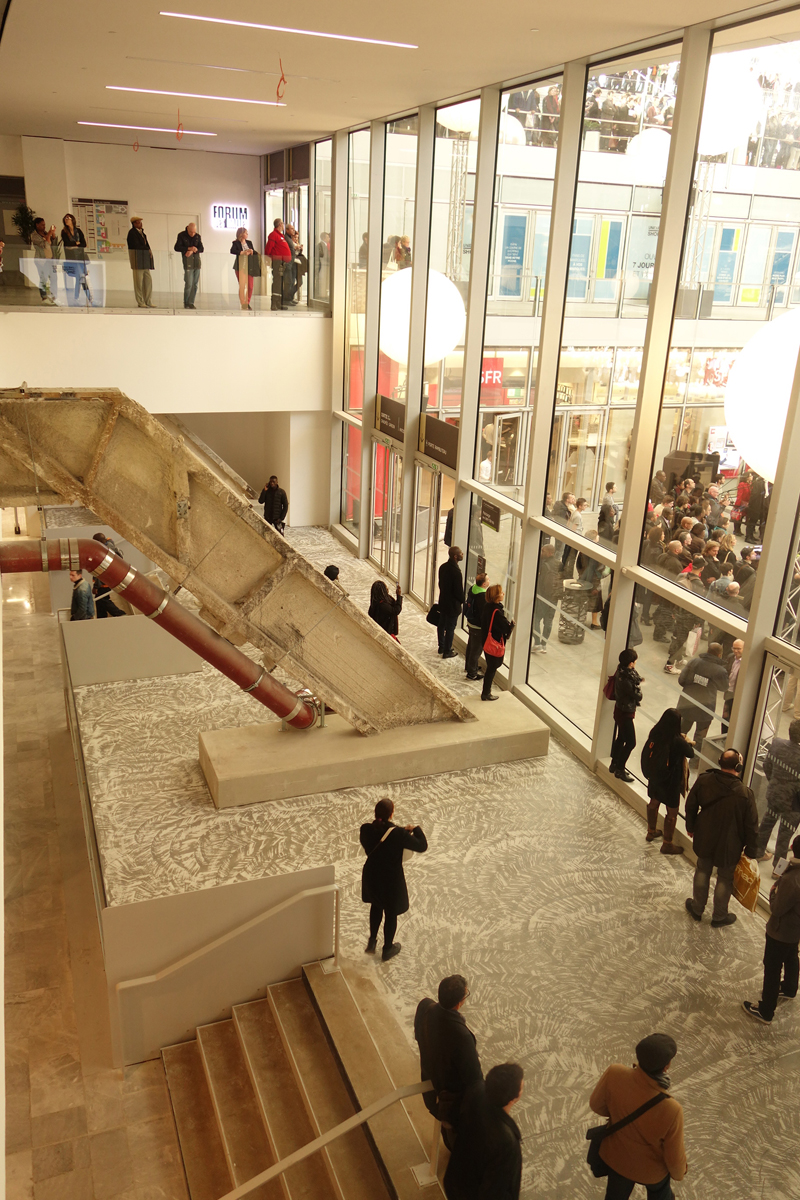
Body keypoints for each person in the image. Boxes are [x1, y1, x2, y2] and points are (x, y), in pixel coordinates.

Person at [588, 1033, 687, 1200]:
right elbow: (674, 1156)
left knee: (615, 1195)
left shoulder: (615, 1073)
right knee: (660, 1190)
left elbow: (596, 1105)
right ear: (666, 1067)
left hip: (617, 1158)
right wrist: (680, 1173)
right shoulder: (671, 1109)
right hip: (651, 1172)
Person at [684, 748, 758, 927]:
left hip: (705, 835)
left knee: (702, 870)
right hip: (730, 844)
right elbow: (752, 826)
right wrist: (751, 849)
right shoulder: (745, 794)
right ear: (739, 767)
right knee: (725, 878)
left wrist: (691, 827)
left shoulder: (704, 780)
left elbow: (690, 805)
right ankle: (719, 916)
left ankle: (697, 908)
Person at [414, 974, 482, 1148]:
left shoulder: (425, 1008)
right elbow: (474, 1080)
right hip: (449, 1106)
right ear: (459, 1003)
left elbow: (419, 1036)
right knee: (459, 1139)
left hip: (430, 1091)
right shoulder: (463, 1037)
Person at [360, 797, 427, 961]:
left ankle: (371, 943)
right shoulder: (398, 834)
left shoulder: (366, 829)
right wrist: (415, 829)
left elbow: (382, 834)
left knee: (376, 905)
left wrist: (400, 830)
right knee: (391, 912)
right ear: (392, 814)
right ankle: (387, 948)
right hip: (390, 880)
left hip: (372, 875)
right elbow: (422, 845)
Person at [443, 1063, 524, 1200]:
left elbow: (454, 1118)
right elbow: (497, 1190)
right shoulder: (507, 1142)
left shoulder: (476, 1090)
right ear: (513, 1099)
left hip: (454, 1180)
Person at [743, 833, 800, 1024]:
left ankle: (766, 1010)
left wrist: (774, 891)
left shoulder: (793, 879)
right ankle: (790, 988)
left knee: (773, 967)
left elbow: (776, 908)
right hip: (794, 930)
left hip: (781, 930)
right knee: (791, 956)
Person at [640, 708, 694, 854]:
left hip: (655, 777)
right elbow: (691, 754)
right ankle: (667, 844)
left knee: (654, 802)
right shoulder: (677, 741)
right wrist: (687, 741)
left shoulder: (655, 732)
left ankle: (651, 831)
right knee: (672, 811)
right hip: (671, 781)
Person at [755, 720, 800, 872]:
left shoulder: (777, 744)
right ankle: (778, 870)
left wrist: (775, 783)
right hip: (794, 802)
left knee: (766, 824)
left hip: (775, 795)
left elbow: (767, 766)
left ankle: (758, 853)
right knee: (784, 836)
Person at [676, 643, 728, 748]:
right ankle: (694, 761)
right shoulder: (720, 671)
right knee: (699, 740)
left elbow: (681, 680)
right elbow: (724, 687)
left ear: (707, 651)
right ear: (719, 655)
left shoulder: (694, 662)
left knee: (679, 734)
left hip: (687, 705)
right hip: (705, 709)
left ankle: (675, 755)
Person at [610, 649, 643, 782]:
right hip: (625, 713)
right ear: (630, 663)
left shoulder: (621, 672)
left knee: (621, 738)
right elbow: (638, 696)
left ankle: (614, 763)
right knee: (631, 742)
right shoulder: (627, 679)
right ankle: (620, 769)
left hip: (620, 710)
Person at [480, 584, 514, 702]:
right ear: (496, 596)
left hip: (485, 641)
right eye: (500, 592)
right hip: (493, 642)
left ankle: (486, 692)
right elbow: (505, 628)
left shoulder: (487, 607)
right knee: (492, 667)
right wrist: (511, 626)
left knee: (491, 666)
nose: (503, 594)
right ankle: (486, 693)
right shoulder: (497, 612)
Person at [532, 543, 560, 653]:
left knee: (536, 620)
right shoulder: (559, 564)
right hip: (553, 598)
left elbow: (542, 583)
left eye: (543, 551)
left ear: (549, 553)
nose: (541, 553)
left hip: (543, 598)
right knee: (548, 622)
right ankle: (544, 645)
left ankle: (537, 643)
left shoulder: (545, 565)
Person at [437, 545, 464, 659]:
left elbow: (440, 584)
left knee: (441, 624)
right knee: (450, 628)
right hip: (452, 606)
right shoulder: (456, 572)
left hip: (443, 602)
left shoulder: (443, 567)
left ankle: (441, 646)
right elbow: (458, 591)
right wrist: (462, 600)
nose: (463, 554)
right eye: (461, 553)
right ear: (455, 556)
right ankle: (447, 650)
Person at [463, 572, 488, 680]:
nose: (489, 581)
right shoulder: (482, 596)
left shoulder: (473, 589)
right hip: (478, 626)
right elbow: (483, 614)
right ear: (483, 584)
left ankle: (469, 666)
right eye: (488, 580)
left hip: (470, 622)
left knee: (471, 645)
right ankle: (472, 673)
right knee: (476, 650)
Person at [60, 214, 89, 307]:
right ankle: (83, 297)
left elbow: (84, 244)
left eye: (68, 218)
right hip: (71, 257)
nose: (66, 220)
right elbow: (67, 244)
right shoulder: (64, 232)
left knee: (81, 277)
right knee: (80, 277)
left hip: (80, 257)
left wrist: (75, 245)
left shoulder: (78, 231)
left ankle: (84, 297)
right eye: (65, 218)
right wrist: (76, 243)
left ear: (72, 219)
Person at [174, 222, 204, 309]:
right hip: (188, 262)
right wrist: (188, 248)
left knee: (195, 284)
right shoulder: (181, 235)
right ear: (187, 228)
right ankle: (186, 302)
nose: (192, 234)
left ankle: (191, 302)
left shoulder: (198, 236)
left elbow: (201, 248)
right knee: (189, 283)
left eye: (194, 232)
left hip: (196, 262)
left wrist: (193, 250)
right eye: (191, 232)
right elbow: (177, 247)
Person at [126, 217, 154, 308]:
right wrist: (146, 249)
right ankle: (140, 301)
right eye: (138, 222)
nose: (140, 224)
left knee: (148, 281)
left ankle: (148, 300)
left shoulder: (143, 233)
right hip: (137, 260)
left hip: (145, 260)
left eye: (140, 222)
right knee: (138, 283)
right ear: (134, 224)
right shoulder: (132, 233)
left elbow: (146, 245)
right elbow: (136, 245)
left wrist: (149, 251)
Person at [30, 217, 59, 304]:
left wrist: (52, 234)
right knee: (43, 278)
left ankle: (54, 296)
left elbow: (53, 243)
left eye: (44, 225)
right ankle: (44, 296)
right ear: (37, 225)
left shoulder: (46, 234)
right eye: (42, 225)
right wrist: (49, 234)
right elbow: (44, 244)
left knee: (54, 278)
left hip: (51, 260)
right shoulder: (34, 235)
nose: (44, 227)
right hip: (42, 261)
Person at [265, 218, 292, 311]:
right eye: (283, 224)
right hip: (277, 262)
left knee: (281, 283)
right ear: (280, 224)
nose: (284, 225)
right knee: (277, 282)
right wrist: (269, 258)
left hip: (283, 262)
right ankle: (274, 303)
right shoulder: (273, 235)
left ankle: (279, 303)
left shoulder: (281, 236)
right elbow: (268, 248)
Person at [230, 226, 257, 310]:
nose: (247, 234)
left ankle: (247, 302)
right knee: (242, 286)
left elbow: (255, 252)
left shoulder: (249, 242)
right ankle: (243, 303)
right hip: (240, 267)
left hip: (249, 267)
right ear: (241, 234)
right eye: (245, 233)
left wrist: (252, 251)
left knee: (250, 286)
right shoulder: (236, 243)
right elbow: (232, 251)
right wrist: (242, 252)